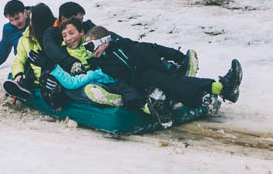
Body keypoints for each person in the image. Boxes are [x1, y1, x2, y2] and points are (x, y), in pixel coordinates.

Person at [84, 26, 242, 127]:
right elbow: (120, 82)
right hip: (139, 86)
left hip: (152, 76)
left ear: (104, 41)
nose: (89, 51)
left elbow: (153, 49)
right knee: (156, 76)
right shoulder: (100, 63)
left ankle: (215, 91)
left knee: (143, 52)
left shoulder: (123, 45)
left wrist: (179, 57)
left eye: (91, 46)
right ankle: (221, 88)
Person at [2, 3, 55, 100]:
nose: (30, 23)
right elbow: (18, 59)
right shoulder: (25, 38)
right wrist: (18, 73)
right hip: (35, 77)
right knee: (25, 68)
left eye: (32, 21)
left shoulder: (57, 35)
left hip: (54, 78)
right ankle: (21, 86)